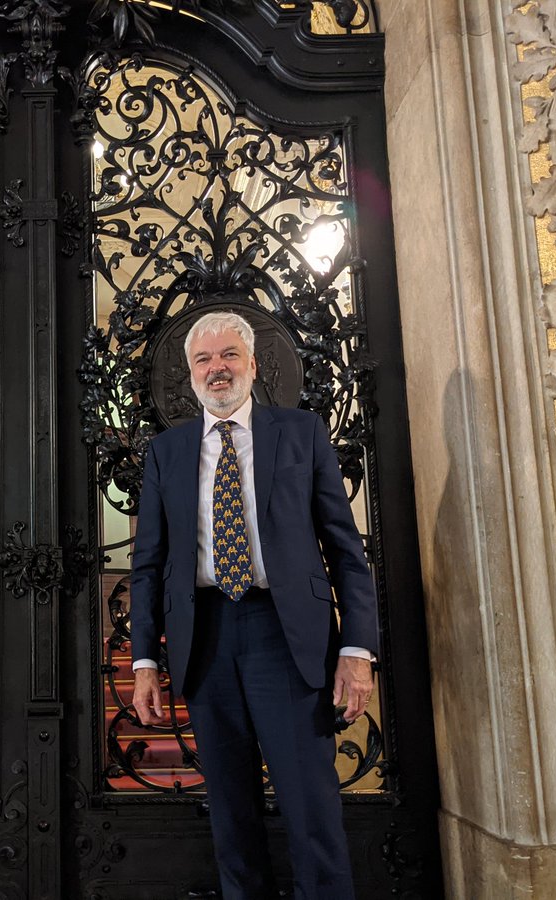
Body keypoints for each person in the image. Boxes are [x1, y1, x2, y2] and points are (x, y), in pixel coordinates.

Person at [128, 311, 377, 900]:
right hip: (205, 638)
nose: (217, 369)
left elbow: (345, 550)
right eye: (204, 360)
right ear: (191, 373)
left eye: (228, 356)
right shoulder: (166, 451)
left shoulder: (301, 433)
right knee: (231, 811)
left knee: (310, 803)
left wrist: (357, 648)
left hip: (285, 636)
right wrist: (144, 662)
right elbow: (149, 564)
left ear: (253, 364)